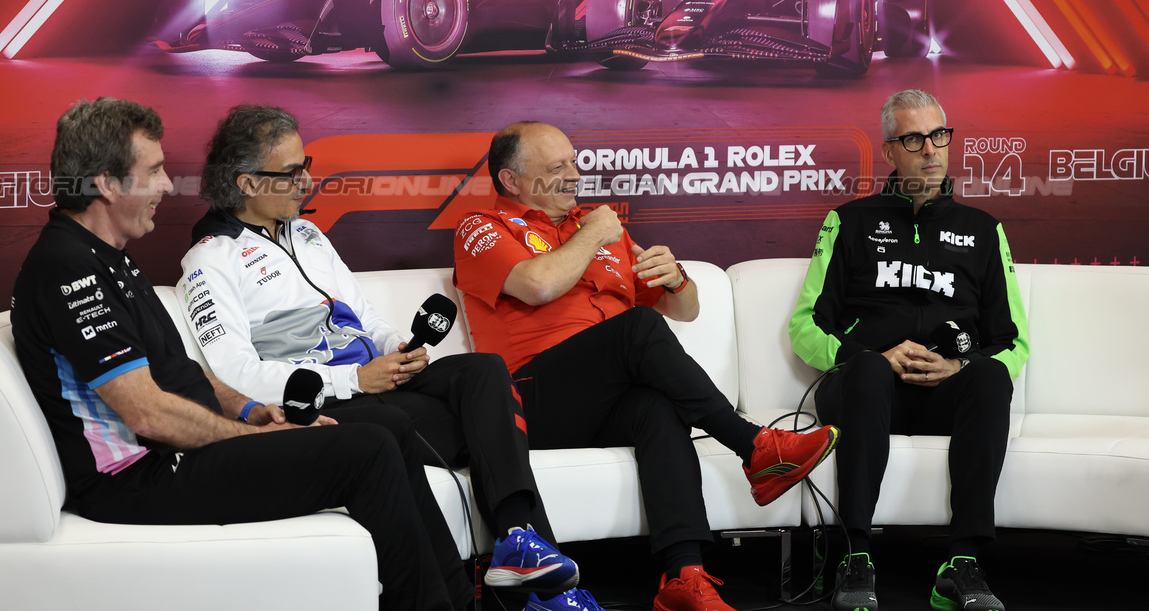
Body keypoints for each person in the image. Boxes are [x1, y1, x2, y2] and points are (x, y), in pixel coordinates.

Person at [11, 97, 471, 611]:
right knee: (369, 451)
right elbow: (145, 411)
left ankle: (455, 602)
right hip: (137, 479)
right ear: (106, 184)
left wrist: (253, 410)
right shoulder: (66, 267)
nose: (168, 185)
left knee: (391, 433)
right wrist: (253, 434)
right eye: (155, 171)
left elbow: (181, 375)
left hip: (183, 453)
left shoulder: (110, 257)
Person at [179, 105, 598, 611]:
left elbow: (366, 316)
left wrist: (396, 349)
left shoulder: (309, 235)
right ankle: (528, 598)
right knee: (464, 423)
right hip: (338, 405)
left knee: (483, 372)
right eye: (291, 172)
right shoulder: (210, 258)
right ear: (246, 183)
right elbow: (235, 375)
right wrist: (353, 379)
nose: (306, 180)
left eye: (305, 163)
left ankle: (518, 541)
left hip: (382, 383)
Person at [452, 121, 840, 611]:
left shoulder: (597, 229)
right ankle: (753, 445)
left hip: (601, 398)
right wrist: (593, 233)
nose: (575, 175)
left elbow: (685, 310)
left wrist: (677, 280)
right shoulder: (482, 228)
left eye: (575, 161)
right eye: (557, 167)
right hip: (530, 399)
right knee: (636, 328)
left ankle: (684, 575)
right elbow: (539, 285)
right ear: (511, 180)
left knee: (657, 406)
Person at [787, 89, 1029, 611]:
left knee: (990, 378)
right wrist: (864, 357)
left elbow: (1012, 341)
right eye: (914, 139)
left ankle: (963, 563)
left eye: (939, 135)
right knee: (871, 371)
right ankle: (855, 556)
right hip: (864, 388)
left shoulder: (984, 231)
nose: (931, 150)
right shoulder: (848, 221)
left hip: (944, 392)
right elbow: (806, 325)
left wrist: (960, 364)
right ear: (890, 151)